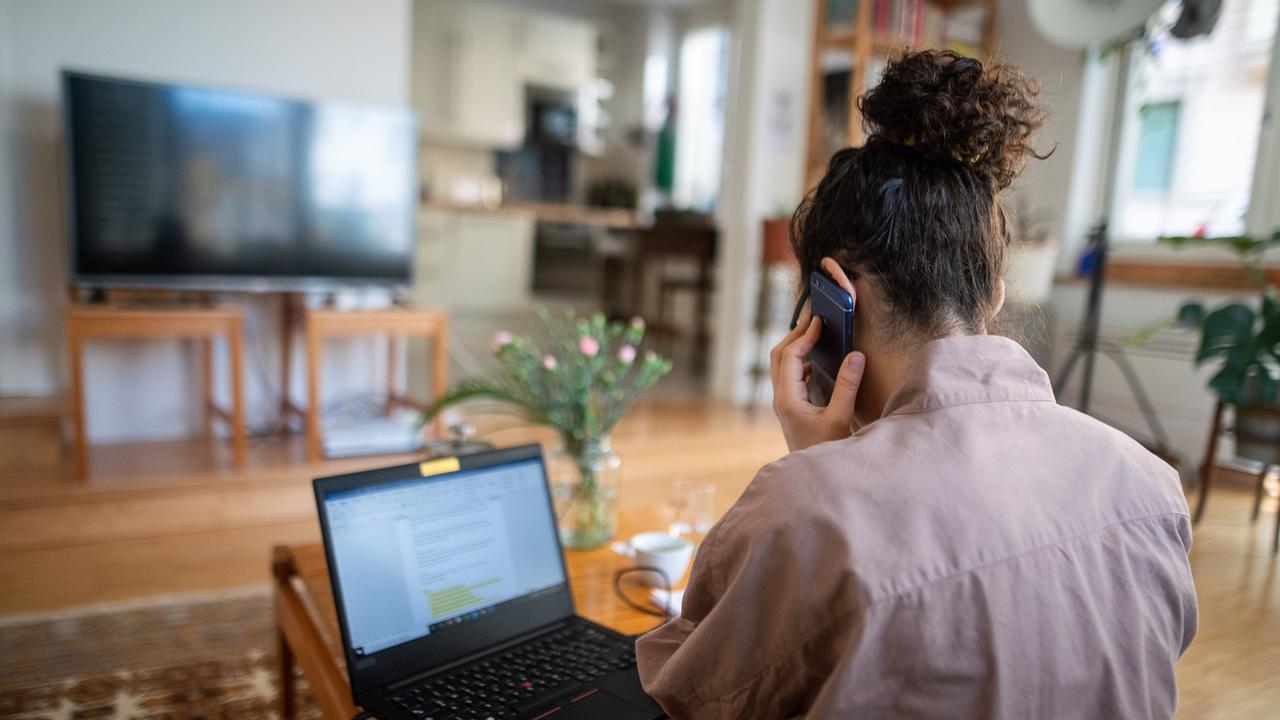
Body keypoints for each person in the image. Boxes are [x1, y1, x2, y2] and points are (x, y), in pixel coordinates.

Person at [635, 50, 1197, 719]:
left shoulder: (802, 514)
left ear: (834, 293)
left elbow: (690, 691)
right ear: (993, 291)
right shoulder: (1151, 486)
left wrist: (819, 468)